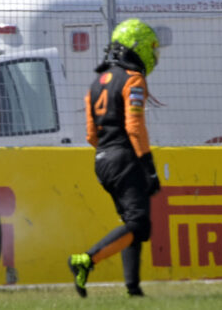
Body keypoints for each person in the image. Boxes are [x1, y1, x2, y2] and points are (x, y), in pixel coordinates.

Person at [67, 18, 161, 298]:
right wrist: (148, 167)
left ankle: (133, 288)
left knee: (131, 222)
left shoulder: (97, 83)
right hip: (125, 158)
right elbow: (134, 127)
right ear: (138, 47)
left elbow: (90, 135)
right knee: (139, 224)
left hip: (102, 160)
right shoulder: (133, 78)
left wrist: (109, 151)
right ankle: (87, 259)